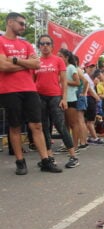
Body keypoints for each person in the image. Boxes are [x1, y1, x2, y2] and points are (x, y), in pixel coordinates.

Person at [0, 12, 62, 175]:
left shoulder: (26, 44)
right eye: (21, 24)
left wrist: (14, 60)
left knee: (37, 125)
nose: (24, 27)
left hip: (30, 89)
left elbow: (36, 64)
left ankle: (45, 161)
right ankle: (20, 162)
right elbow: (2, 66)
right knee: (15, 126)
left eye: (25, 24)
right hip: (9, 90)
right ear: (11, 22)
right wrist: (25, 64)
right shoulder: (1, 41)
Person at [34, 34, 78, 168]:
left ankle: (73, 156)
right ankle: (49, 157)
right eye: (42, 44)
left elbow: (64, 81)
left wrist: (64, 98)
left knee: (60, 126)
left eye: (48, 43)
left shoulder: (58, 60)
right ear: (39, 46)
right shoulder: (36, 61)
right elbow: (32, 80)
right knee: (45, 127)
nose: (45, 46)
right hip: (40, 97)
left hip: (55, 97)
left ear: (52, 46)